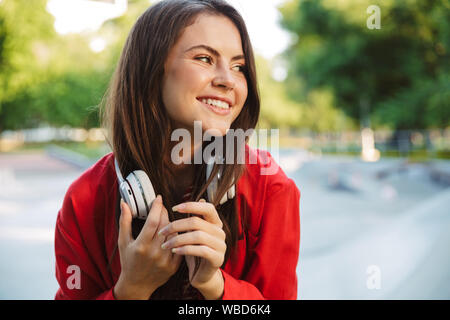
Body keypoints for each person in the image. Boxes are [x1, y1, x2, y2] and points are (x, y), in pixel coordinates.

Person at [54, 0, 300, 300]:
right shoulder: (84, 199)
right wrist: (131, 290)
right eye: (204, 58)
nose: (228, 80)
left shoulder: (270, 188)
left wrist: (215, 285)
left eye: (239, 67)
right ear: (151, 70)